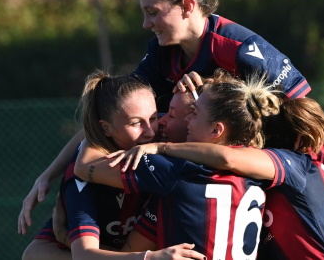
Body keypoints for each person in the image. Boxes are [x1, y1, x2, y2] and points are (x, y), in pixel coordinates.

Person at [17, 0, 312, 236]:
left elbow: (305, 118)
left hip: (309, 169)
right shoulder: (162, 55)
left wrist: (319, 180)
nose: (146, 23)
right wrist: (49, 176)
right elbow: (110, 116)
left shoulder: (238, 49)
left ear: (186, 6)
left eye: (152, 12)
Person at [109, 75, 324, 259]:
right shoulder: (252, 180)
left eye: (193, 113)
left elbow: (226, 157)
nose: (186, 119)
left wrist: (160, 148)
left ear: (218, 129)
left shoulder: (297, 165)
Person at [65, 69, 286, 258]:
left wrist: (92, 131)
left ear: (216, 130)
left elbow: (84, 167)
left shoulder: (172, 168)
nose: (159, 123)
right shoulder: (258, 166)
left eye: (194, 113)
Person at [21, 70, 205, 260]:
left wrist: (206, 88)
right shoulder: (84, 180)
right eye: (136, 123)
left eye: (153, 118)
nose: (150, 132)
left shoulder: (163, 132)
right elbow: (81, 255)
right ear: (106, 128)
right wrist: (150, 258)